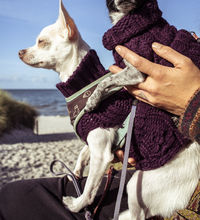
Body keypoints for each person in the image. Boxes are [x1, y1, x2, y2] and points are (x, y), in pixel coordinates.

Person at [1, 43, 200, 220]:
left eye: (43, 44)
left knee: (15, 199)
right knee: (12, 194)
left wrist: (193, 105)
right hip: (158, 168)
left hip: (176, 181)